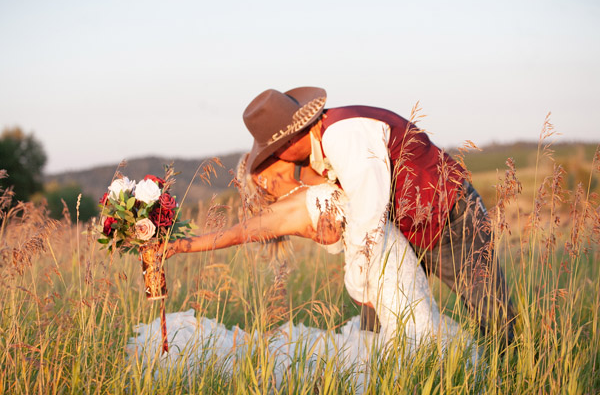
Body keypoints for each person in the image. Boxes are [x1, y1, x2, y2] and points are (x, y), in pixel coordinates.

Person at [241, 86, 515, 344]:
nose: (281, 159)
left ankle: (516, 372)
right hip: (401, 233)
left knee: (491, 311)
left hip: (451, 219)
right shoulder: (325, 142)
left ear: (288, 142)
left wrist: (356, 280)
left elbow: (369, 212)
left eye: (275, 151)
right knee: (379, 320)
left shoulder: (343, 135)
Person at [166, 153, 472, 349]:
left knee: (416, 327)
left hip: (388, 257)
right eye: (272, 162)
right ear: (262, 177)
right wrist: (181, 245)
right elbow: (233, 235)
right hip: (389, 255)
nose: (282, 161)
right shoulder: (298, 199)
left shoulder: (308, 187)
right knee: (413, 330)